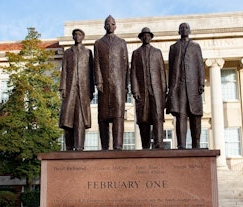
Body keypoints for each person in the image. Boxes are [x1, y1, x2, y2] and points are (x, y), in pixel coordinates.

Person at [166, 22, 205, 149]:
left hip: (193, 87)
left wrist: (201, 83)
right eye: (181, 28)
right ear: (178, 31)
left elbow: (200, 65)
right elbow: (171, 69)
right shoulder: (174, 47)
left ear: (190, 30)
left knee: (195, 116)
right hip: (179, 88)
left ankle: (196, 144)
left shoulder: (195, 46)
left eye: (186, 27)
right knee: (181, 116)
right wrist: (171, 88)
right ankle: (181, 144)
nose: (184, 30)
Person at [94, 15, 129, 150]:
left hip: (118, 85)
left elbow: (126, 65)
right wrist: (98, 81)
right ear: (104, 26)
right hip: (104, 85)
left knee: (118, 116)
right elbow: (96, 63)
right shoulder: (98, 43)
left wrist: (125, 85)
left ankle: (118, 145)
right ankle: (104, 146)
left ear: (115, 26)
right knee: (103, 116)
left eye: (112, 24)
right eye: (107, 24)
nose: (110, 26)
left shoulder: (121, 42)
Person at [130, 27, 167, 149]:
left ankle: (159, 143)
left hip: (156, 91)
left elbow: (162, 72)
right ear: (141, 38)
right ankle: (145, 145)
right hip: (142, 91)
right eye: (144, 36)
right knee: (143, 119)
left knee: (157, 117)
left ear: (151, 37)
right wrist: (135, 90)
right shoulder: (136, 53)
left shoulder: (157, 52)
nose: (146, 37)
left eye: (148, 35)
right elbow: (133, 73)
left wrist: (164, 90)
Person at [59, 28, 94, 151]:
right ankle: (68, 147)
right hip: (70, 89)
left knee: (80, 118)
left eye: (79, 34)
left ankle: (79, 146)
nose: (77, 36)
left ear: (83, 37)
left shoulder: (88, 53)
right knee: (67, 118)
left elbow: (91, 73)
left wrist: (91, 90)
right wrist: (62, 87)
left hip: (83, 91)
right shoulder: (68, 52)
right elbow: (64, 70)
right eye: (75, 35)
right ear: (73, 37)